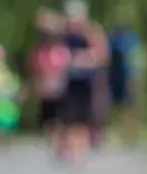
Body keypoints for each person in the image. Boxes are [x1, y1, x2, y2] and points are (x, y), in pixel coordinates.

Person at [57, 1, 108, 164]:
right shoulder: (65, 34)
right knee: (69, 117)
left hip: (87, 81)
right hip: (70, 81)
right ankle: (70, 150)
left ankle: (80, 151)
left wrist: (83, 58)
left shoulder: (91, 33)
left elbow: (102, 55)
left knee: (84, 118)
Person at [28, 10, 72, 144]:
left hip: (60, 91)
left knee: (60, 118)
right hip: (46, 91)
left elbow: (66, 69)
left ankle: (61, 142)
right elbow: (36, 70)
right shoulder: (40, 52)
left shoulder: (62, 52)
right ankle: (53, 140)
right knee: (48, 119)